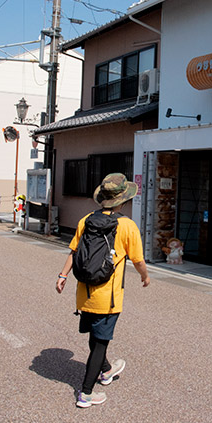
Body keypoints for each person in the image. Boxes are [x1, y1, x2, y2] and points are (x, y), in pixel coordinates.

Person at [56, 173, 151, 408]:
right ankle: (86, 393)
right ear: (123, 200)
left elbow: (74, 251)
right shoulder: (127, 226)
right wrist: (145, 276)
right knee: (100, 343)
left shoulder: (86, 219)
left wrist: (62, 275)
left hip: (85, 292)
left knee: (96, 337)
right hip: (108, 296)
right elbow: (138, 260)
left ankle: (106, 370)